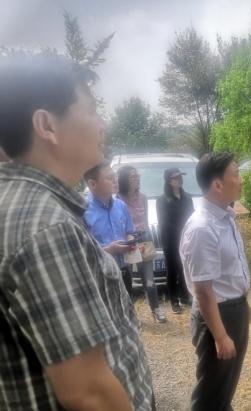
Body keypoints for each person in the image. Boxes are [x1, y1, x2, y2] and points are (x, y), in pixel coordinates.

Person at [0, 54, 154, 410]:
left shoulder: (24, 205)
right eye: (92, 110)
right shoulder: (46, 226)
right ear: (47, 125)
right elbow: (88, 392)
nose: (103, 124)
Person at [181, 152, 251, 411]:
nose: (241, 180)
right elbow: (203, 291)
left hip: (233, 309)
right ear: (217, 185)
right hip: (217, 315)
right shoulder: (202, 228)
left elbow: (229, 271)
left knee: (225, 385)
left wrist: (243, 304)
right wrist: (220, 336)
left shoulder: (225, 216)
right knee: (209, 394)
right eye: (236, 174)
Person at [117, 165, 166, 323]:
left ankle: (156, 309)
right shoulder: (117, 199)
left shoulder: (143, 197)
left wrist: (148, 241)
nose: (137, 178)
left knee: (149, 279)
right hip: (127, 241)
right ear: (124, 180)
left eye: (137, 175)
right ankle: (131, 315)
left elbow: (145, 221)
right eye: (133, 176)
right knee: (128, 280)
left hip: (144, 237)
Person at [84, 160, 135, 295]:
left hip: (124, 270)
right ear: (92, 184)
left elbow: (129, 232)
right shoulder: (82, 211)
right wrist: (110, 249)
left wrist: (131, 241)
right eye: (109, 177)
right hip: (99, 274)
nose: (115, 180)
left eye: (115, 176)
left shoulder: (121, 205)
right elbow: (83, 251)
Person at [157, 167, 194, 314]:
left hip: (186, 239)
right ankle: (174, 300)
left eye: (180, 177)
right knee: (172, 270)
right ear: (168, 181)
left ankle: (185, 296)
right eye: (175, 178)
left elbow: (192, 217)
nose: (179, 180)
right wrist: (182, 229)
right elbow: (164, 223)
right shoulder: (162, 200)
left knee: (185, 268)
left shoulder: (188, 198)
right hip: (171, 241)